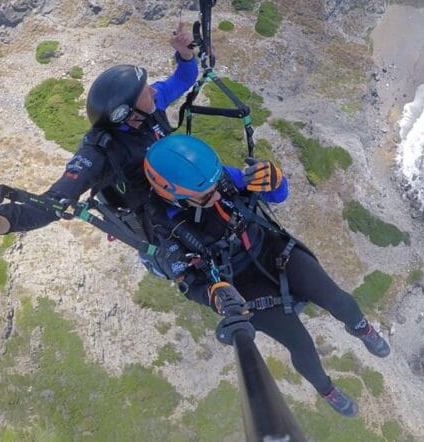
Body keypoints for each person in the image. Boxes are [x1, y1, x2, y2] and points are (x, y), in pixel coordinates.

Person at [142, 134, 391, 417]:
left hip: (273, 250)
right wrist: (215, 295)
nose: (219, 194)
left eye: (217, 185)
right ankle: (326, 389)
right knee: (301, 344)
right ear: (177, 196)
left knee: (339, 300)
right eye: (208, 195)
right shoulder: (165, 229)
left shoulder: (218, 179)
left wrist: (276, 180)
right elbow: (188, 282)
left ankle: (362, 329)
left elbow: (276, 195)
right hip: (240, 286)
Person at [0, 23, 197, 239]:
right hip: (157, 210)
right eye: (146, 90)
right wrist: (2, 222)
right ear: (127, 112)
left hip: (185, 181)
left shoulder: (150, 105)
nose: (154, 91)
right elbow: (56, 200)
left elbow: (183, 79)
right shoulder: (101, 152)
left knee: (235, 181)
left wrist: (185, 55)